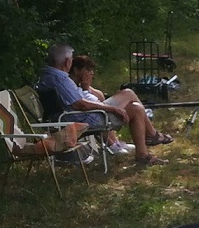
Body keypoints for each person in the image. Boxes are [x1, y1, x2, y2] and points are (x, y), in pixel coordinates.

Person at [36, 44, 170, 166]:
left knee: (134, 104)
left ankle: (145, 149)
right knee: (134, 104)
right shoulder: (59, 79)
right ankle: (145, 148)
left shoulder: (48, 75)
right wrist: (112, 108)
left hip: (72, 116)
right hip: (83, 118)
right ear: (67, 62)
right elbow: (80, 104)